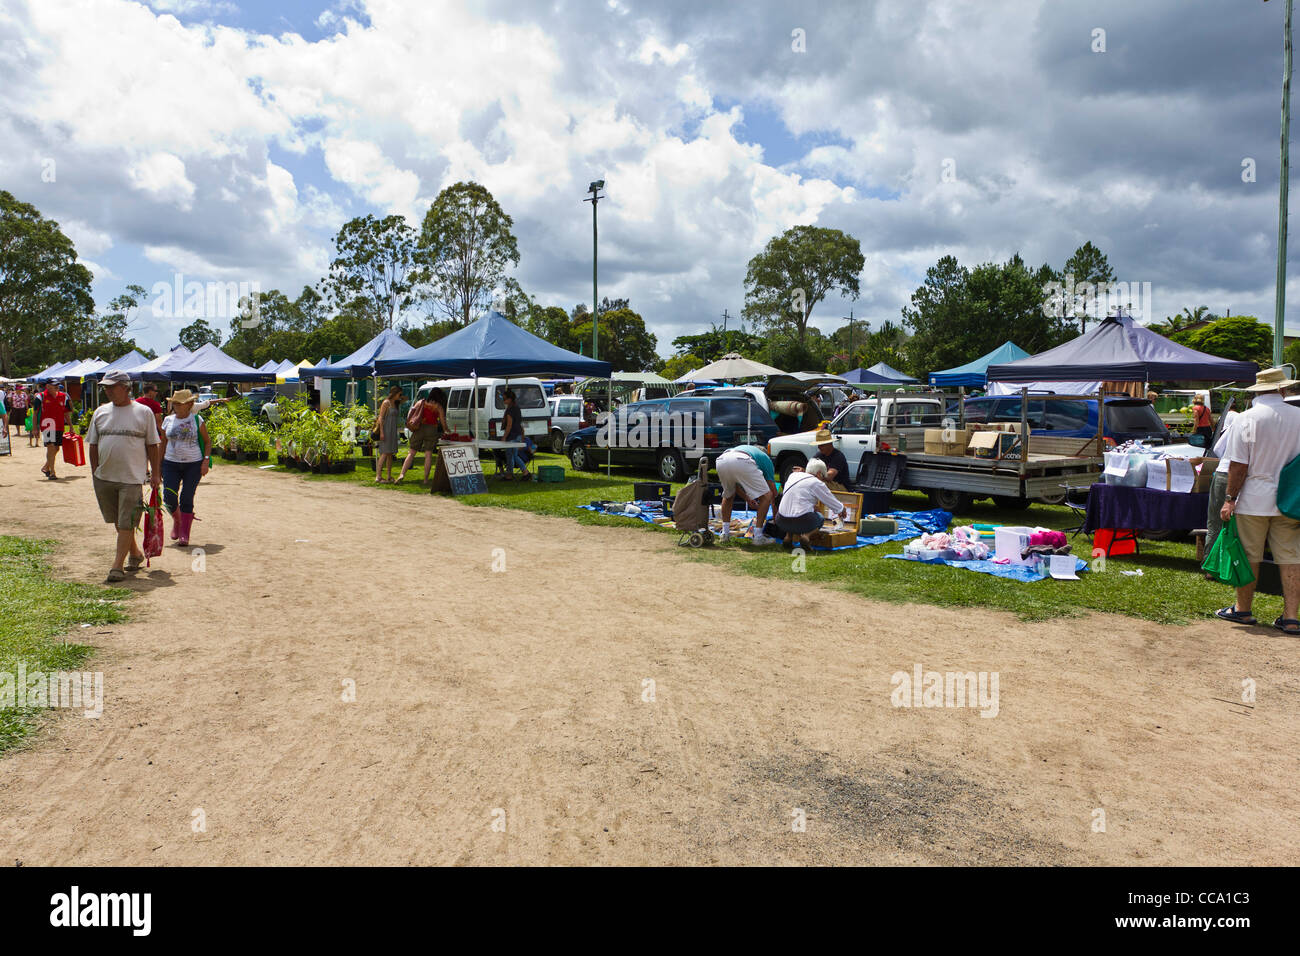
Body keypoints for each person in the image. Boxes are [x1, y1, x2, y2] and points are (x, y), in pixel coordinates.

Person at [1215, 368, 1300, 635]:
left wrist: (1230, 499)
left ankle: (1243, 609)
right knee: (1291, 557)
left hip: (1254, 497)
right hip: (1291, 498)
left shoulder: (1247, 419)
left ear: (1257, 391)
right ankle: (1291, 617)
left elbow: (1239, 465)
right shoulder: (1298, 417)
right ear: (1282, 390)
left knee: (1249, 554)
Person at [87, 370, 162, 582]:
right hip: (104, 478)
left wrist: (155, 474)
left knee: (127, 522)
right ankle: (135, 553)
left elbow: (153, 445)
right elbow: (93, 444)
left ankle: (117, 566)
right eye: (106, 387)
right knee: (119, 523)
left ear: (126, 387)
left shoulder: (143, 412)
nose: (108, 391)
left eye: (112, 386)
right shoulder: (100, 412)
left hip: (131, 478)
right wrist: (95, 471)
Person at [159, 389, 210, 547]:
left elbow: (207, 442)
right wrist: (158, 465)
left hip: (193, 464)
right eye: (174, 403)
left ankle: (184, 533)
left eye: (179, 403)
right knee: (169, 496)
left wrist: (205, 461)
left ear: (189, 404)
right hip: (170, 463)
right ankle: (177, 520)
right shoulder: (167, 420)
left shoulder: (197, 420)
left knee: (187, 497)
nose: (175, 406)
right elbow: (163, 443)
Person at [775, 459, 848, 548]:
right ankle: (806, 536)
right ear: (819, 473)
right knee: (820, 518)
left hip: (781, 520)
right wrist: (841, 509)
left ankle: (788, 537)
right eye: (822, 476)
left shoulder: (793, 476)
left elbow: (798, 497)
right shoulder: (816, 482)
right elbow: (829, 500)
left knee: (792, 512)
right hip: (801, 521)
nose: (822, 479)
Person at [1204, 402, 1243, 561]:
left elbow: (1218, 449)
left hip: (1222, 472)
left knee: (1215, 522)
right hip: (1241, 475)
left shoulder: (1239, 422)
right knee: (1237, 524)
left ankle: (1210, 564)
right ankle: (1229, 563)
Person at [716, 443, 777, 544]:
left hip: (722, 459)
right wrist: (776, 516)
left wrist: (747, 498)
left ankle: (725, 534)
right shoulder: (765, 458)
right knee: (767, 495)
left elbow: (734, 487)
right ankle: (758, 537)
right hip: (741, 460)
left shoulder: (747, 450)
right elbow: (773, 492)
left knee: (728, 495)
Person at [397, 387, 446, 485]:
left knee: (411, 453)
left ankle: (402, 474)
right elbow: (443, 422)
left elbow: (411, 413)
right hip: (432, 430)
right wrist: (446, 430)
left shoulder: (421, 402)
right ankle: (425, 480)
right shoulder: (438, 406)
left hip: (419, 428)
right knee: (428, 455)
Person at [36, 380, 72, 479]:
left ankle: (46, 467)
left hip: (59, 425)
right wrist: (35, 428)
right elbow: (35, 413)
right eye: (54, 385)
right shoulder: (40, 396)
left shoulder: (63, 396)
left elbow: (66, 413)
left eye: (57, 385)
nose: (57, 387)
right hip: (47, 424)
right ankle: (52, 472)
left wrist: (71, 426)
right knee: (51, 447)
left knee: (56, 448)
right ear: (47, 386)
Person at [497, 388, 532, 481]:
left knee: (512, 455)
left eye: (504, 399)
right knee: (512, 455)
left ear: (510, 399)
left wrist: (504, 437)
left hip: (512, 436)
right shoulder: (516, 408)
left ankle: (525, 472)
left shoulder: (510, 410)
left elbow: (509, 425)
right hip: (517, 434)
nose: (503, 401)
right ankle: (511, 474)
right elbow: (519, 424)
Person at [374, 386, 404, 483]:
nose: (401, 396)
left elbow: (405, 398)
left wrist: (400, 397)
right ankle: (378, 476)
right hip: (386, 430)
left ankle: (389, 476)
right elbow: (381, 418)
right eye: (399, 394)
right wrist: (382, 432)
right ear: (395, 393)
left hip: (392, 431)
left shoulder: (395, 403)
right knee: (384, 452)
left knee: (390, 453)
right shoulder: (386, 403)